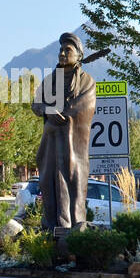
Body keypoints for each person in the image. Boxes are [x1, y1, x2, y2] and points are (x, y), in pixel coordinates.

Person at [31, 33, 96, 231]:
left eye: (67, 50)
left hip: (73, 147)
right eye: (60, 49)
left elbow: (82, 108)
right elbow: (36, 104)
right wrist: (46, 110)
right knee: (49, 183)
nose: (62, 53)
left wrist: (61, 115)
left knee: (73, 184)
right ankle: (50, 227)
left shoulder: (86, 82)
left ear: (78, 55)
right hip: (50, 143)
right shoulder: (51, 80)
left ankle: (72, 230)